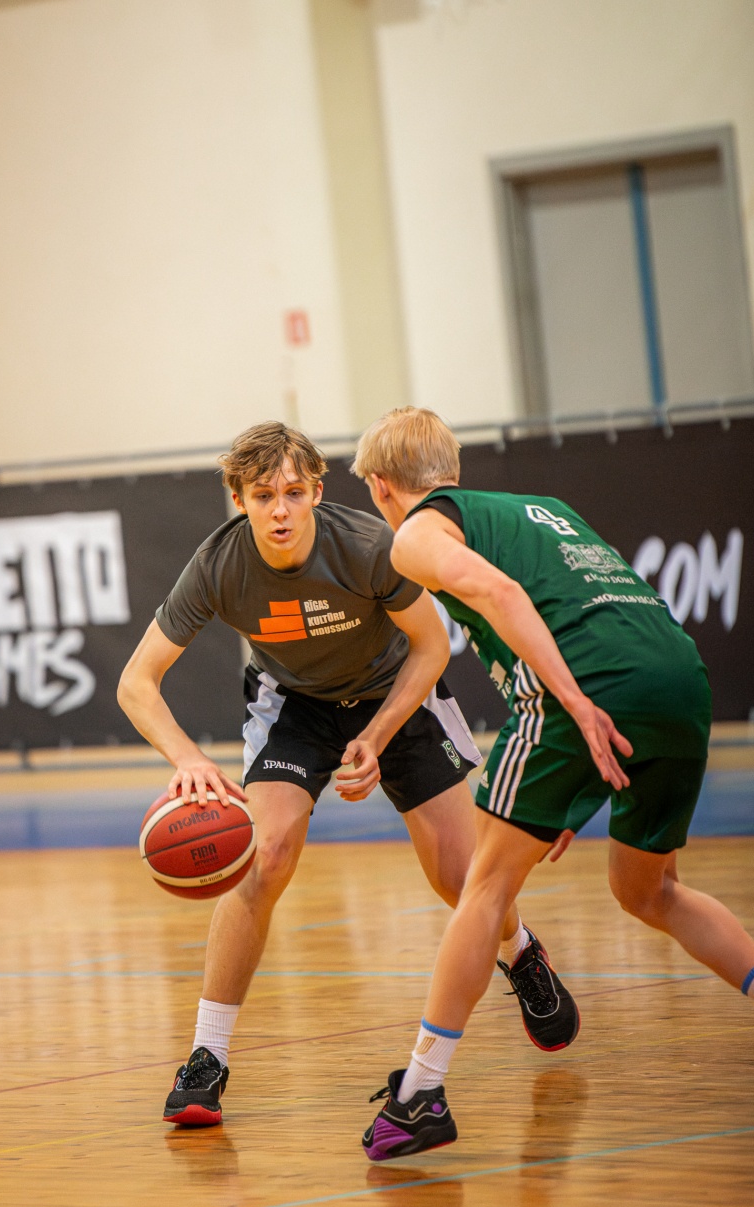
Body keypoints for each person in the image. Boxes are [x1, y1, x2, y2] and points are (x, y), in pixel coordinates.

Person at [117, 421, 580, 1129]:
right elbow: (136, 683)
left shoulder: (365, 544)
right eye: (262, 495)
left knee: (461, 876)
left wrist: (377, 734)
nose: (279, 509)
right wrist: (190, 761)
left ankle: (520, 954)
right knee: (264, 857)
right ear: (238, 499)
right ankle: (207, 1057)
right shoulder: (217, 565)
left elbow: (431, 645)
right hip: (295, 704)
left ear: (316, 491)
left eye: (292, 492)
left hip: (395, 690)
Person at [353, 406, 754, 1162]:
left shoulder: (415, 533)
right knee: (650, 891)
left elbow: (505, 598)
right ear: (452, 470)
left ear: (382, 486)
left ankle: (420, 1095)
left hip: (584, 687)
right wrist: (575, 785)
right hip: (678, 674)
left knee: (484, 888)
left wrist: (575, 705)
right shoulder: (543, 509)